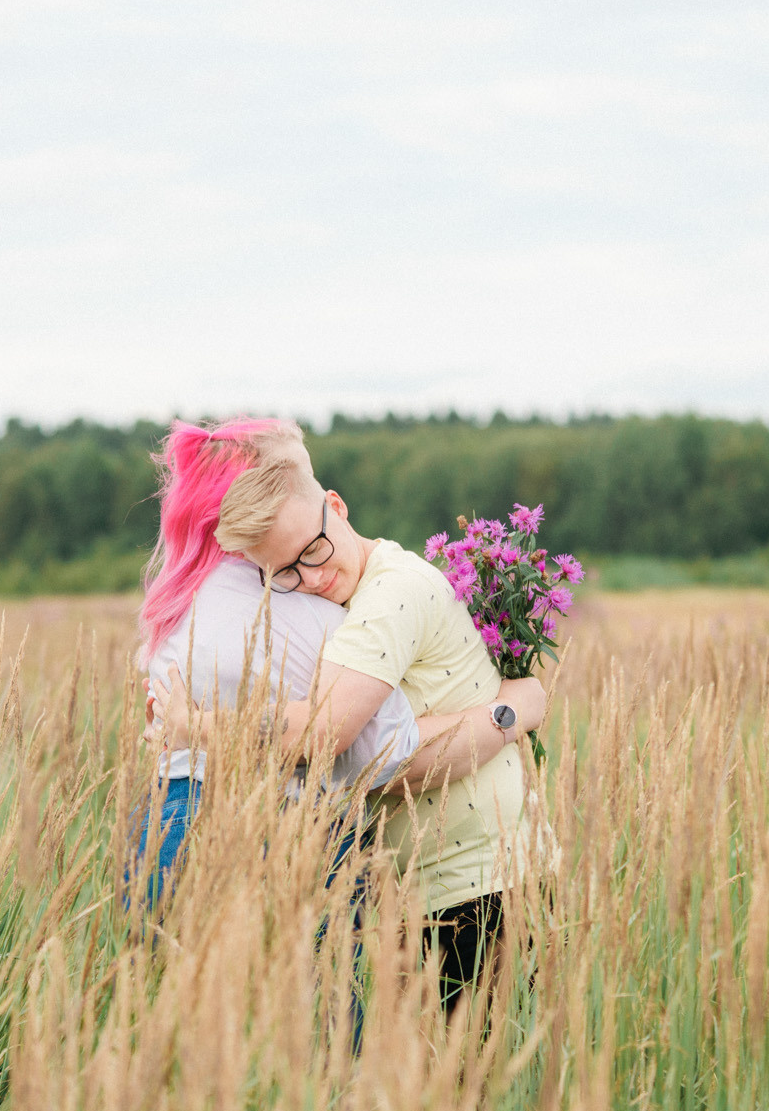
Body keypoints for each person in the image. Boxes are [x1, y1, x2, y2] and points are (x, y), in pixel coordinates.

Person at [154, 421, 539, 1009]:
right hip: (427, 891)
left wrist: (194, 726)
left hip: (479, 888)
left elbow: (331, 736)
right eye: (285, 572)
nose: (311, 578)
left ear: (336, 506)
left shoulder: (390, 595)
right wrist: (510, 712)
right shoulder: (347, 601)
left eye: (313, 550)